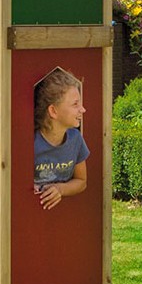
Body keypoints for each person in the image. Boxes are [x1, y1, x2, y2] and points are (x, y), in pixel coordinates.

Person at [33, 69, 89, 211]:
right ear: (53, 111)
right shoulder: (31, 142)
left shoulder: (76, 139)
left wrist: (60, 189)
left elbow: (81, 181)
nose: (83, 109)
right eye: (75, 104)